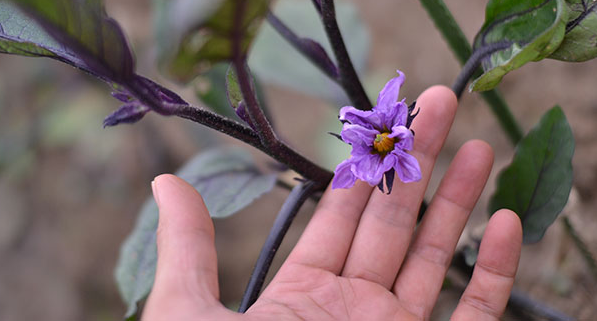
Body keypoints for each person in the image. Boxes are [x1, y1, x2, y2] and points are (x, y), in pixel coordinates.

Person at [142, 86, 522, 320]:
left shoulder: (387, 145)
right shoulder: (376, 153)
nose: (382, 142)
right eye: (379, 141)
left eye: (384, 139)